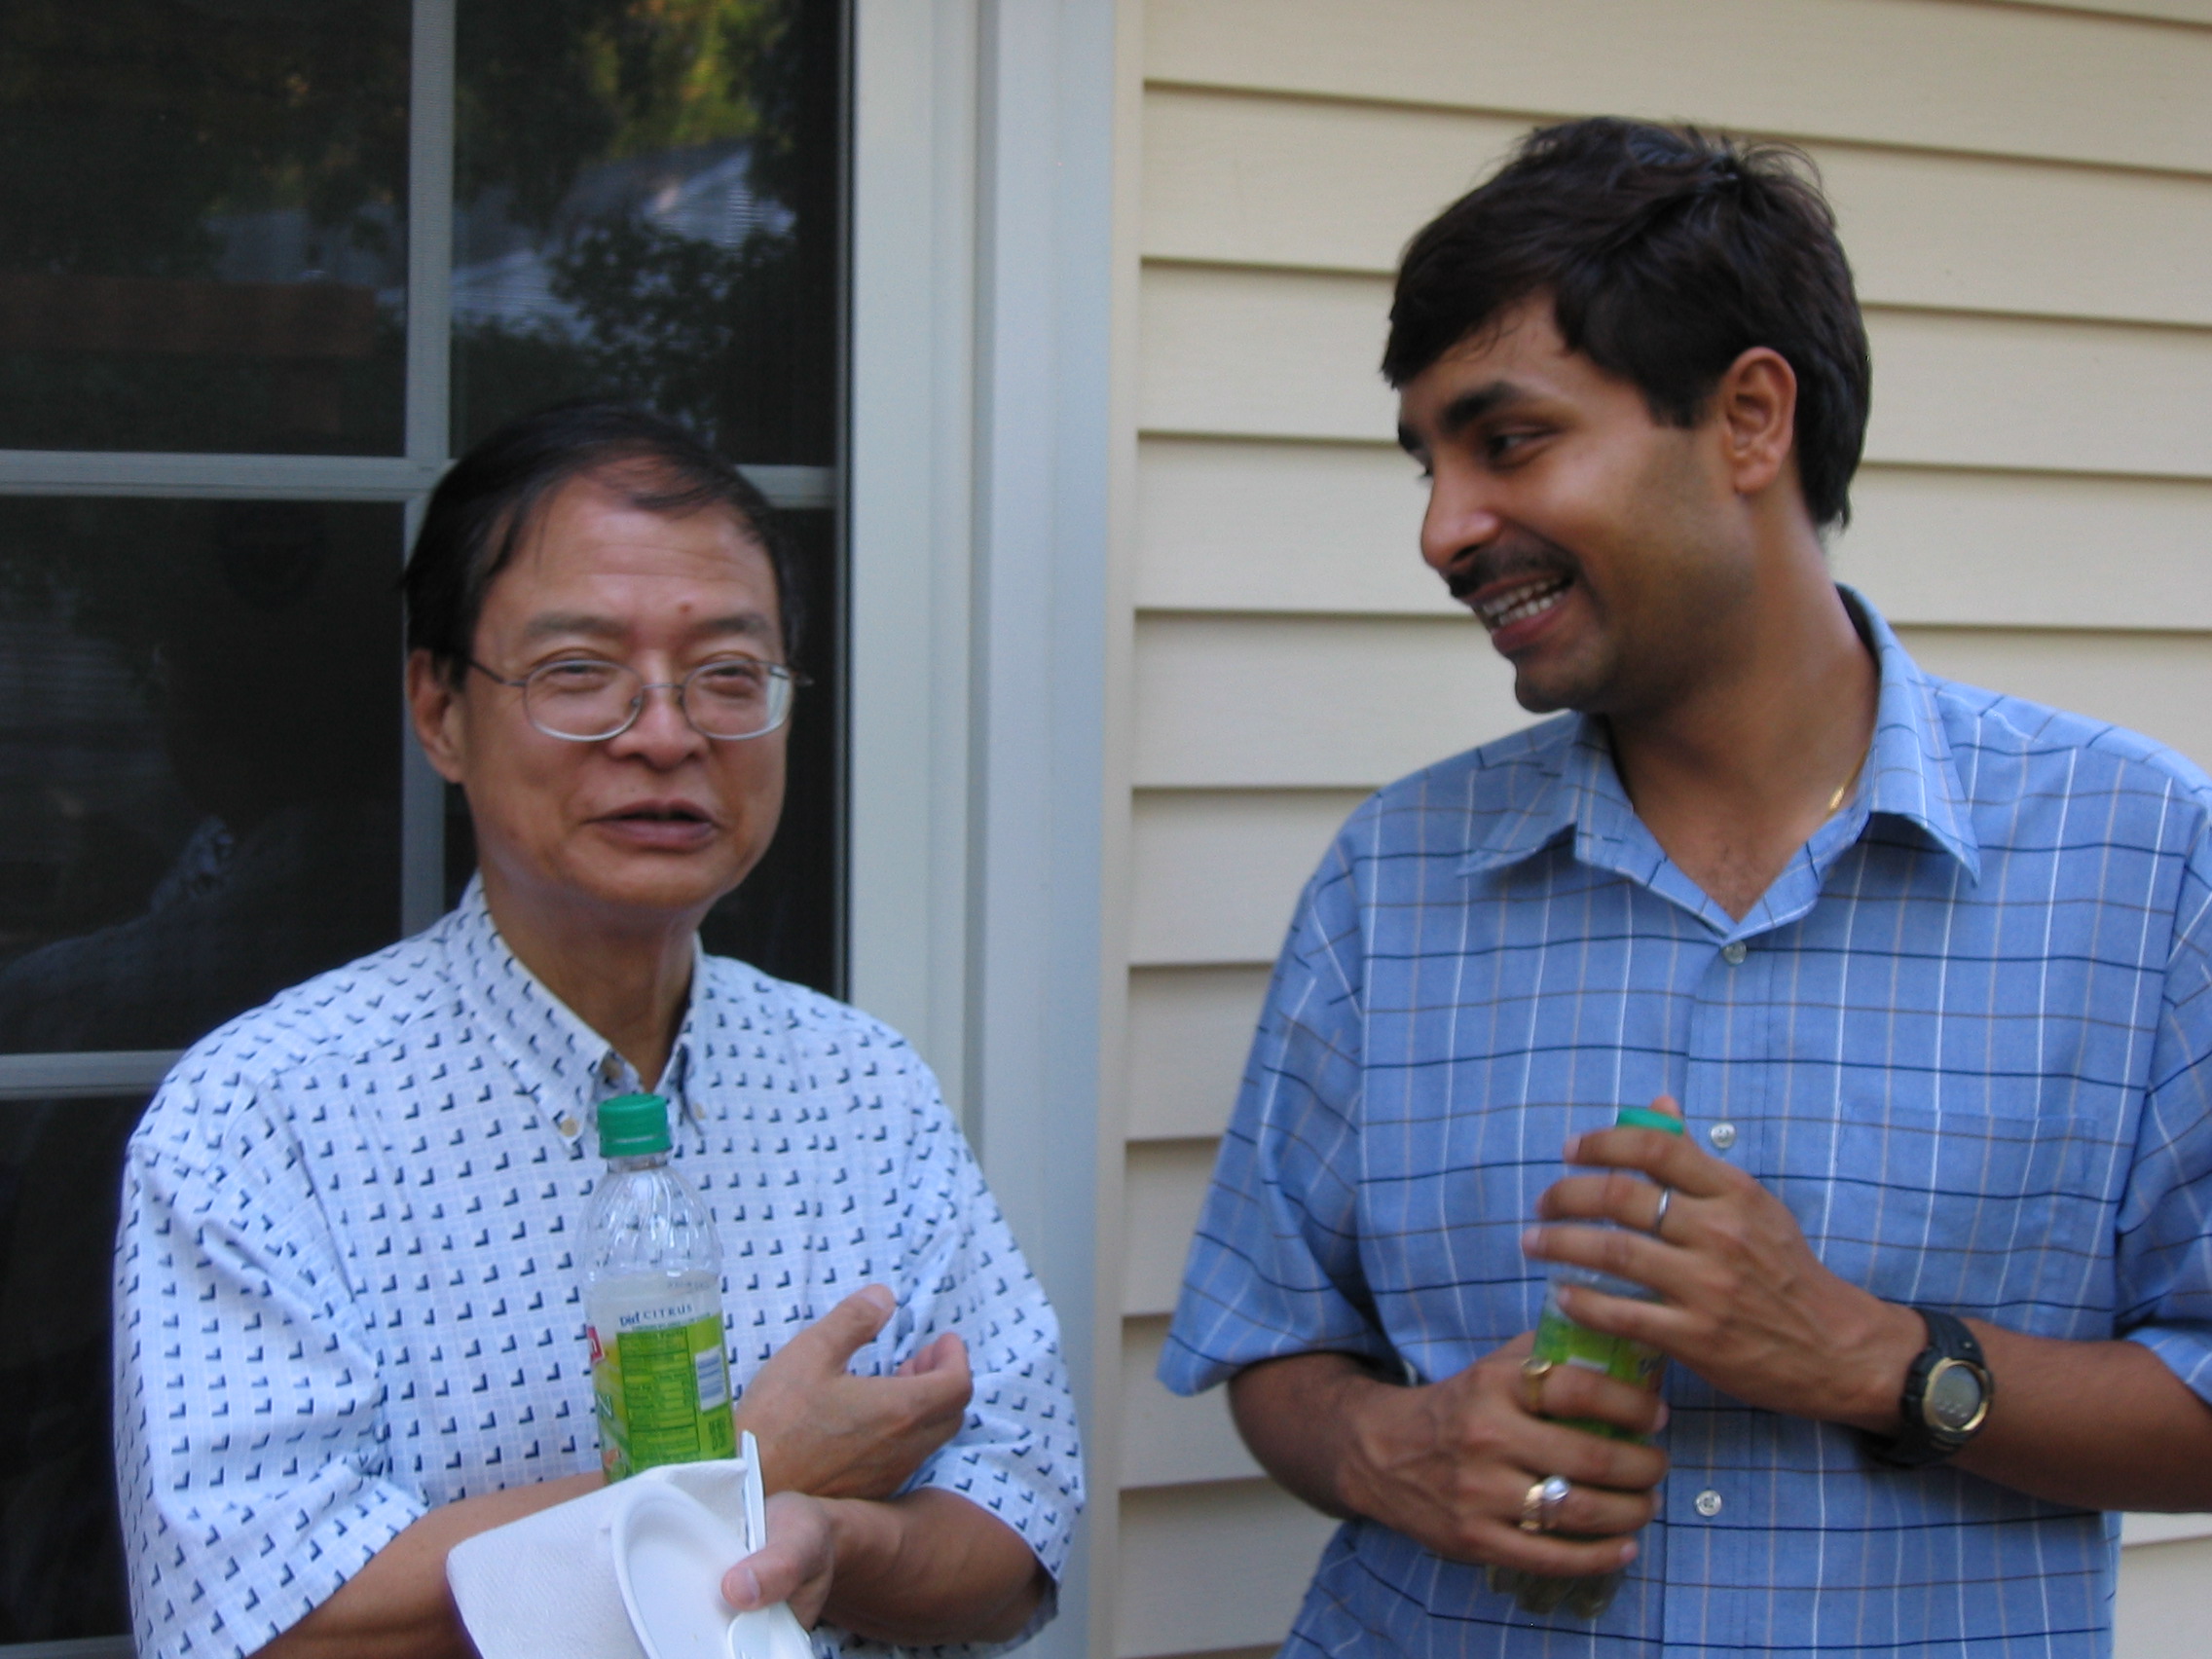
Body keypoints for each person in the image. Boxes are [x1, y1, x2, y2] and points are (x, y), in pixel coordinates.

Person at [1159, 118, 2212, 1657]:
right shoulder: (1393, 882)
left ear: (1748, 419)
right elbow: (1274, 1343)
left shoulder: (2145, 861)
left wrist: (1871, 1356)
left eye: (1508, 442)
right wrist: (1390, 1448)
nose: (1444, 531)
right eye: (1430, 464)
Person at [113, 401, 1083, 1659]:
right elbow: (253, 1617)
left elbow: (1023, 1536)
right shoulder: (263, 1115)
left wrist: (837, 1548)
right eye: (579, 672)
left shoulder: (862, 1086)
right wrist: (740, 1475)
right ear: (440, 710)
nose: (667, 734)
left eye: (727, 675)